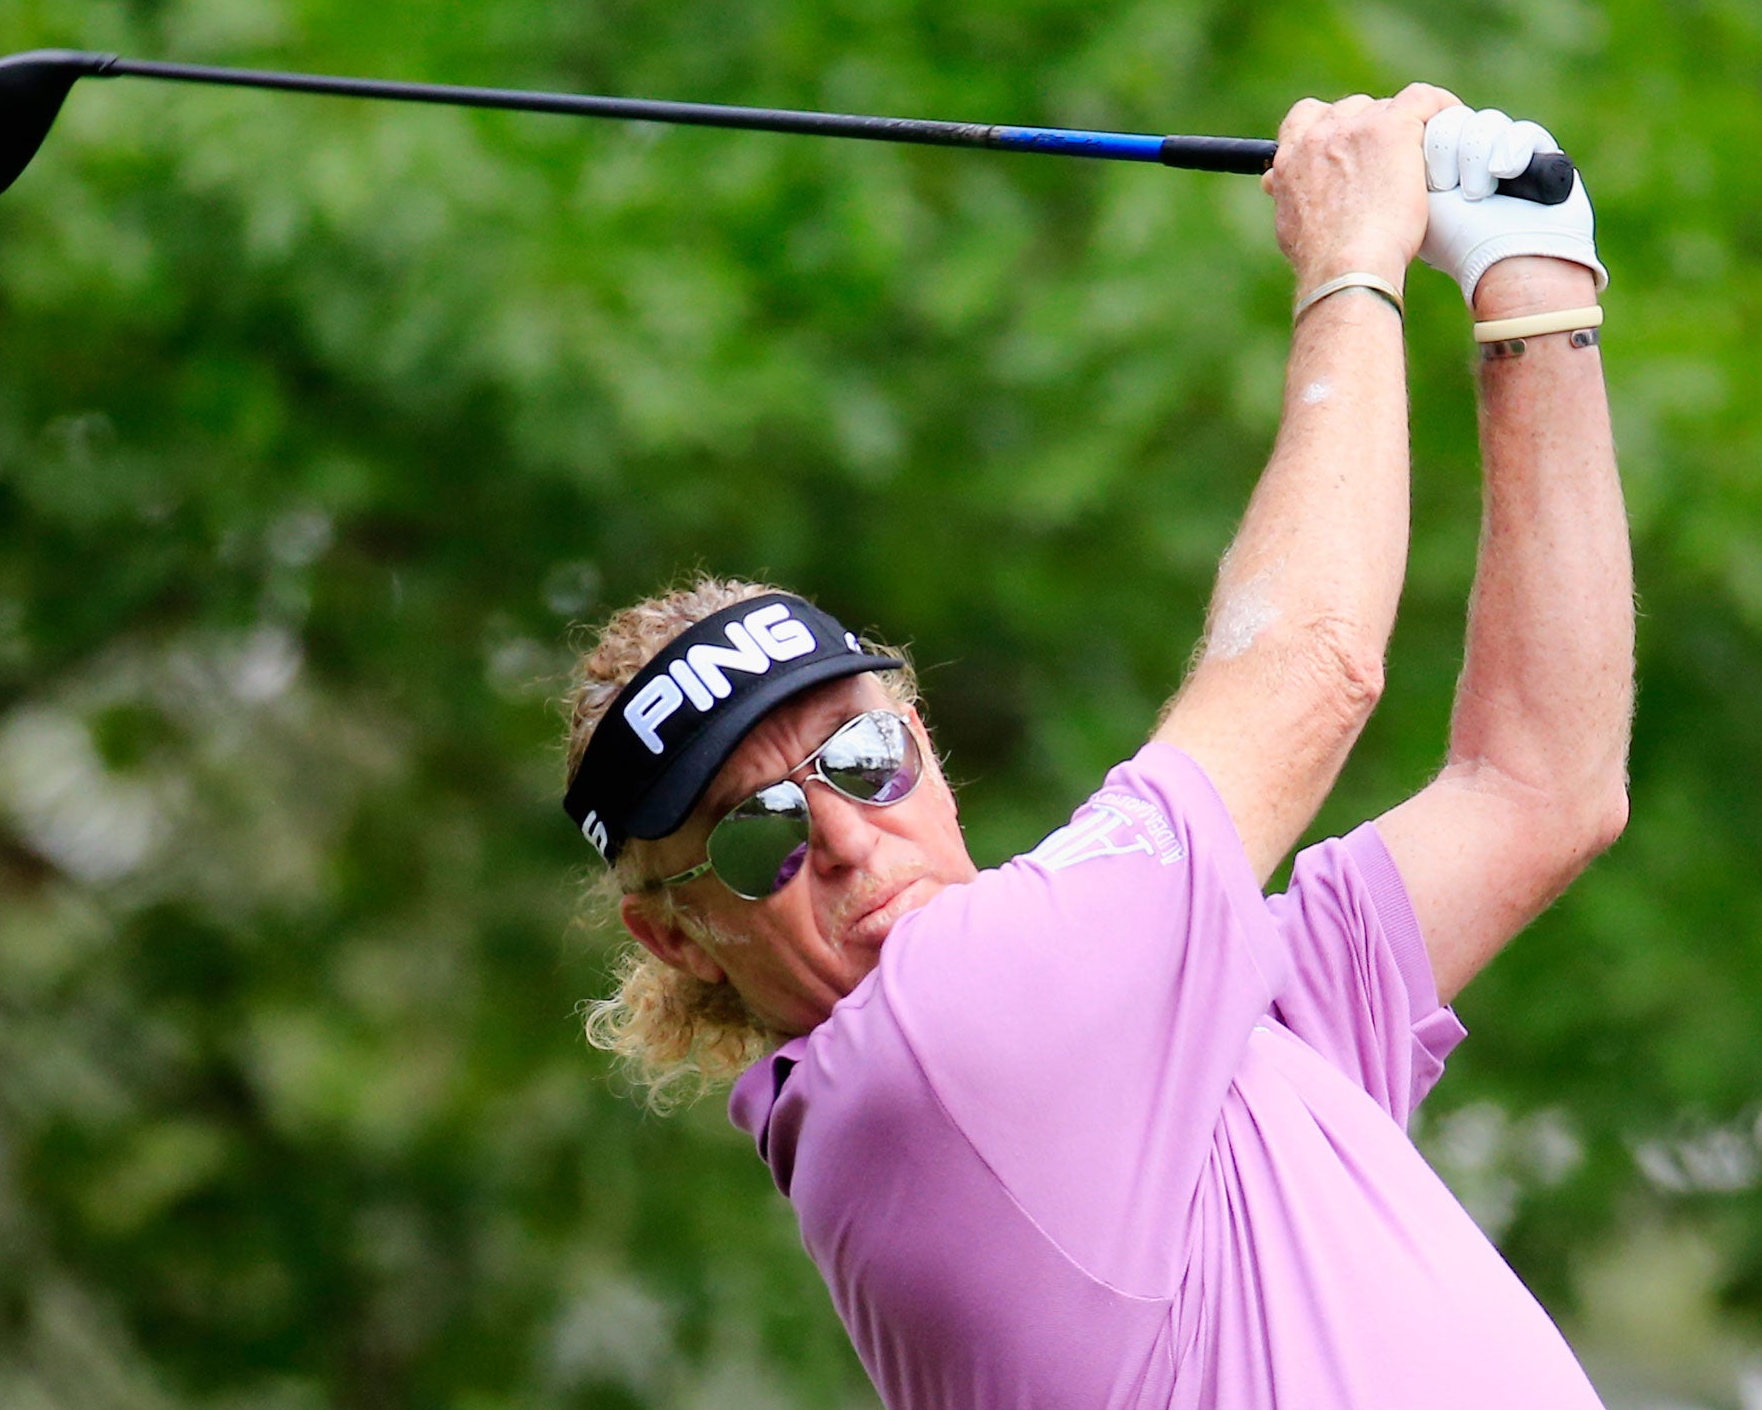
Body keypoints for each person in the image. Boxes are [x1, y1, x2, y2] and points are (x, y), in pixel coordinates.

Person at [560, 84, 1632, 1410]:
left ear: (927, 749)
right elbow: (1311, 666)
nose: (841, 839)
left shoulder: (1162, 1030)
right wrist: (1352, 259)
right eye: (758, 833)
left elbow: (1540, 788)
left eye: (859, 759)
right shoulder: (929, 1052)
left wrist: (1534, 290)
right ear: (676, 937)